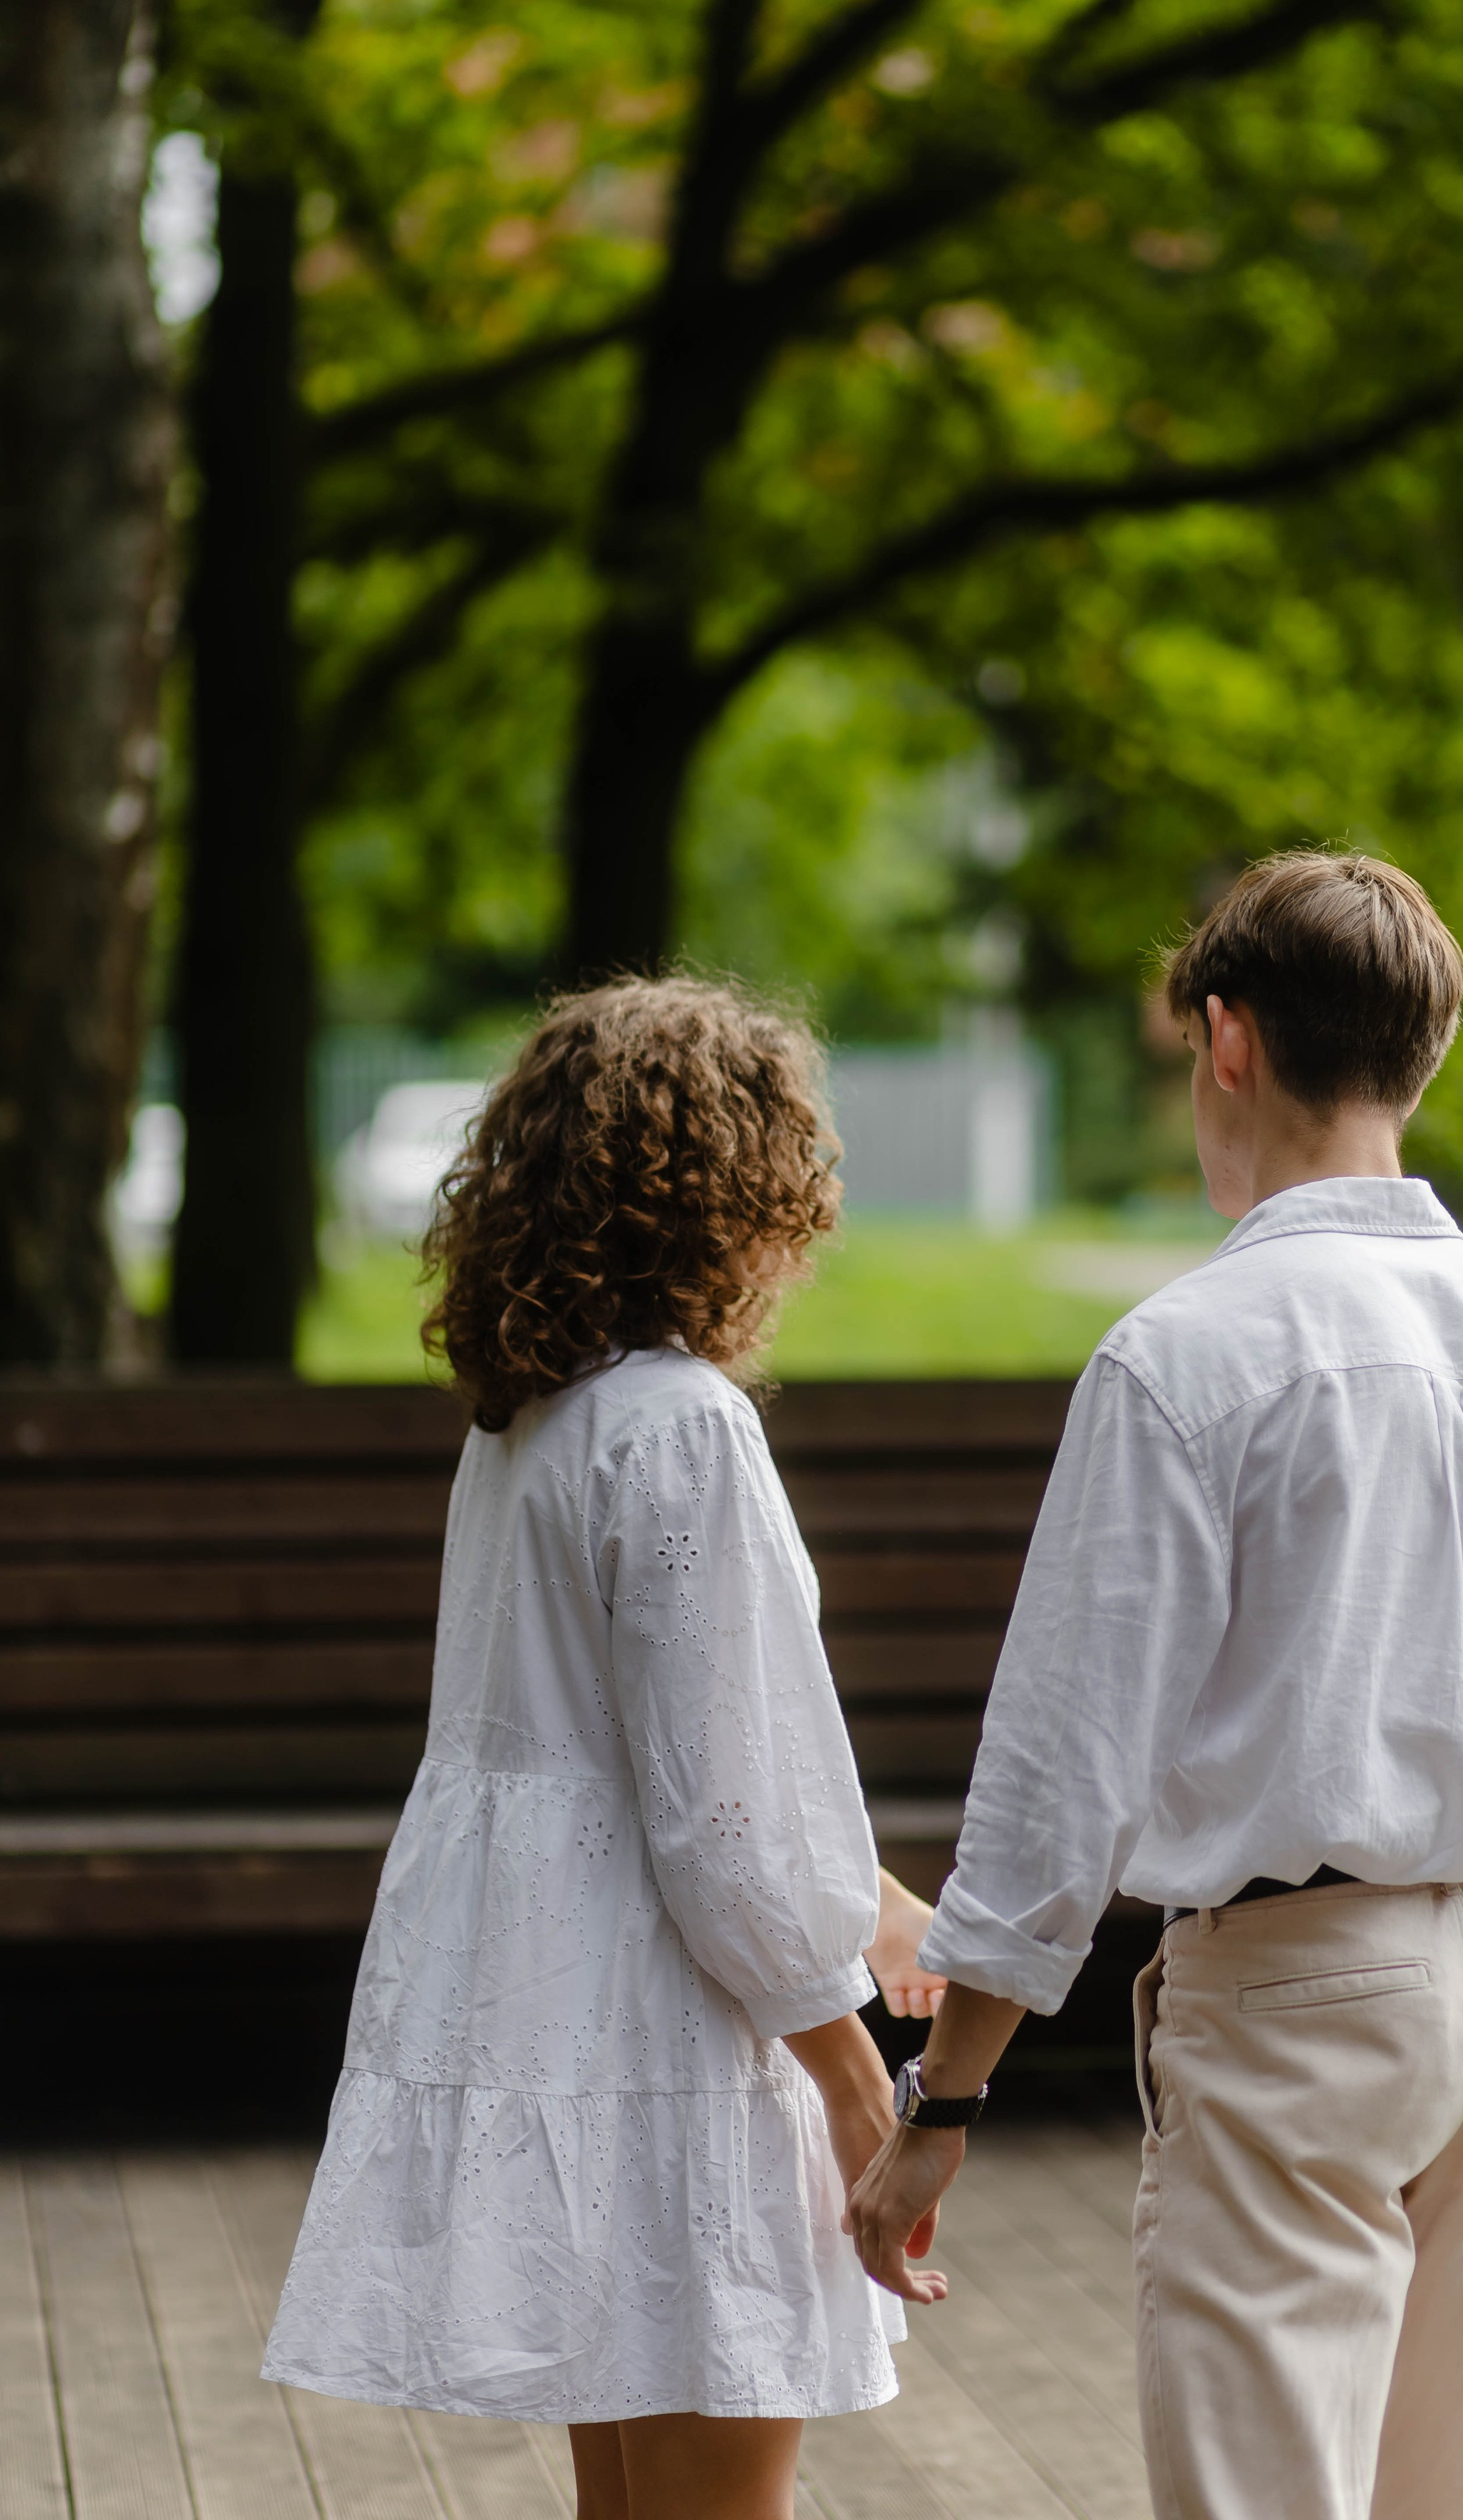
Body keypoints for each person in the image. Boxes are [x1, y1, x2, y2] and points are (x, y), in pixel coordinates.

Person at [849, 850, 1463, 2520]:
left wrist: (946, 2096)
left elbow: (1061, 1769)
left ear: (1225, 1039)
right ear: (1418, 1056)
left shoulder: (1185, 1356)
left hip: (1295, 1993)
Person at [262, 975, 946, 2520]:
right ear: (733, 1198)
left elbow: (639, 1763)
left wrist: (884, 1905)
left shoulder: (531, 1424)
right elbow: (725, 1823)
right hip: (681, 2055)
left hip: (564, 2028)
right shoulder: (684, 1426)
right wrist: (853, 2076)